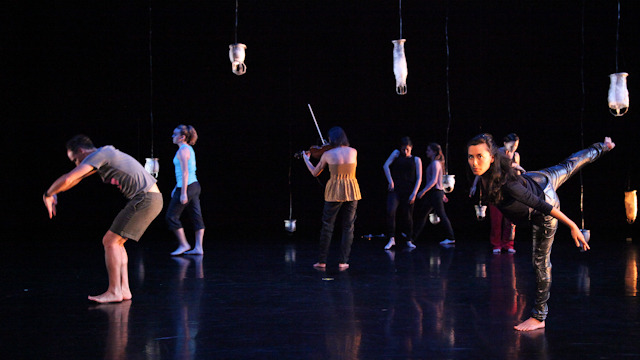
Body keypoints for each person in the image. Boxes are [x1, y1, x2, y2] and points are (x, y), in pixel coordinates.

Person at [466, 133, 614, 331]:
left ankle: (538, 316)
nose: (474, 162)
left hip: (543, 208)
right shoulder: (488, 173)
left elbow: (542, 206)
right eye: (470, 156)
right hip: (539, 178)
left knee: (540, 262)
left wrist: (572, 225)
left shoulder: (507, 184)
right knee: (569, 164)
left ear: (491, 158)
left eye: (479, 156)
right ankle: (604, 146)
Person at [43, 135, 163, 303]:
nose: (77, 164)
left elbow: (70, 177)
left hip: (145, 199)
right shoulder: (104, 154)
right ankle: (124, 290)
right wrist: (56, 192)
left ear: (81, 151)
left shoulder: (100, 154)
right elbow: (76, 179)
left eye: (75, 159)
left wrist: (48, 194)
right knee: (117, 242)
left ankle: (114, 291)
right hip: (151, 198)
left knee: (110, 241)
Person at [302, 126, 362, 271]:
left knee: (328, 226)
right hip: (352, 189)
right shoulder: (353, 151)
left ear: (332, 139)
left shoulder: (328, 154)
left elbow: (315, 173)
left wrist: (306, 159)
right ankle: (343, 262)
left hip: (334, 190)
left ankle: (322, 261)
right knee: (348, 226)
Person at [167, 125, 206, 256]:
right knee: (196, 216)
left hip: (188, 186)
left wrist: (183, 192)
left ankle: (184, 244)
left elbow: (185, 172)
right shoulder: (188, 149)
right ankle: (199, 247)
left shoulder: (183, 150)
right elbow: (184, 172)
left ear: (182, 137)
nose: (172, 136)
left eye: (174, 134)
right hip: (194, 186)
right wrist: (175, 187)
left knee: (171, 216)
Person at [382, 137, 422, 250]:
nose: (405, 152)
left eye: (407, 150)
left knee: (408, 215)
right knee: (390, 211)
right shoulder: (396, 154)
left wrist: (414, 193)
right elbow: (385, 166)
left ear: (411, 148)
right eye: (403, 149)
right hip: (395, 189)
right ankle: (391, 238)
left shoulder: (416, 159)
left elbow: (419, 178)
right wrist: (390, 181)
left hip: (408, 189)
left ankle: (409, 239)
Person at [413, 143, 456, 246]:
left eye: (428, 150)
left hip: (435, 193)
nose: (426, 152)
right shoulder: (434, 163)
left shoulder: (436, 163)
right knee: (423, 214)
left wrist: (423, 191)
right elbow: (439, 181)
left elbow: (434, 181)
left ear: (434, 152)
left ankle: (451, 237)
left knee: (441, 214)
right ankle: (412, 237)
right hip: (435, 193)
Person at [489, 133, 525, 254]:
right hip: (497, 188)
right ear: (505, 143)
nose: (514, 148)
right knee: (496, 218)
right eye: (512, 145)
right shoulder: (497, 153)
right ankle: (496, 244)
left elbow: (517, 173)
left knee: (510, 220)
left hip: (511, 189)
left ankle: (508, 244)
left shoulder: (516, 155)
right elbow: (492, 170)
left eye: (516, 145)